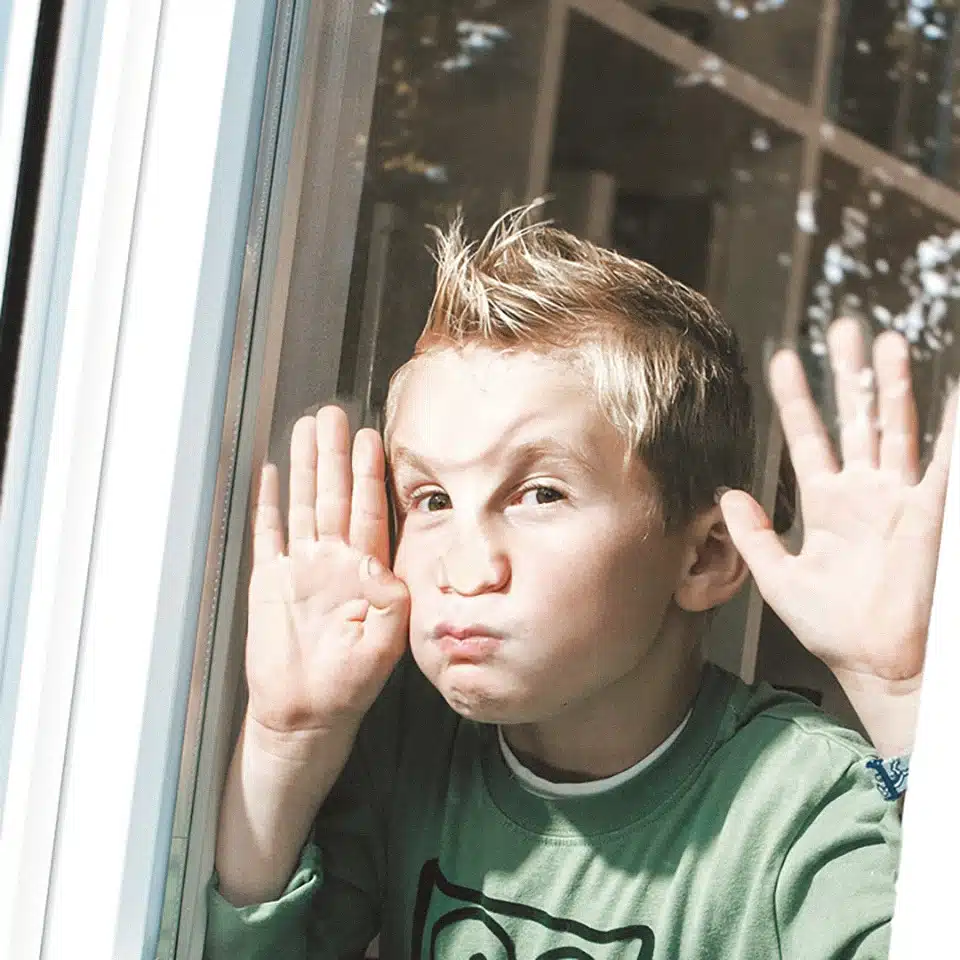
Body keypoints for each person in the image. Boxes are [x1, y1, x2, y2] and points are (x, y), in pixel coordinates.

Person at [205, 207, 957, 959]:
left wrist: (904, 696)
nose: (465, 571)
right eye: (431, 500)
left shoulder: (807, 804)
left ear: (703, 558)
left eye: (539, 494)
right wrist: (287, 740)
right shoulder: (407, 738)